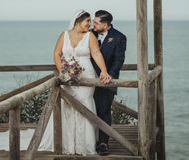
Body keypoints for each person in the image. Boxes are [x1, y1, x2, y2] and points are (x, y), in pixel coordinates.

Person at [38, 9, 111, 155]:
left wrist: (104, 71)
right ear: (78, 21)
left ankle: (84, 144)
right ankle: (65, 142)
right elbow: (57, 54)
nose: (89, 24)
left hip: (86, 75)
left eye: (91, 21)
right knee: (66, 105)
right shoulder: (64, 35)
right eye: (87, 21)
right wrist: (63, 72)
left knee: (84, 104)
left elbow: (96, 53)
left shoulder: (90, 36)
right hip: (67, 77)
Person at [91, 10, 127, 155]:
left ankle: (103, 143)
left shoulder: (119, 37)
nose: (93, 24)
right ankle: (89, 139)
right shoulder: (90, 34)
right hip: (87, 79)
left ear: (105, 25)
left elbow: (119, 59)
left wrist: (109, 76)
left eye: (96, 22)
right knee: (88, 109)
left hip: (107, 82)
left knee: (104, 110)